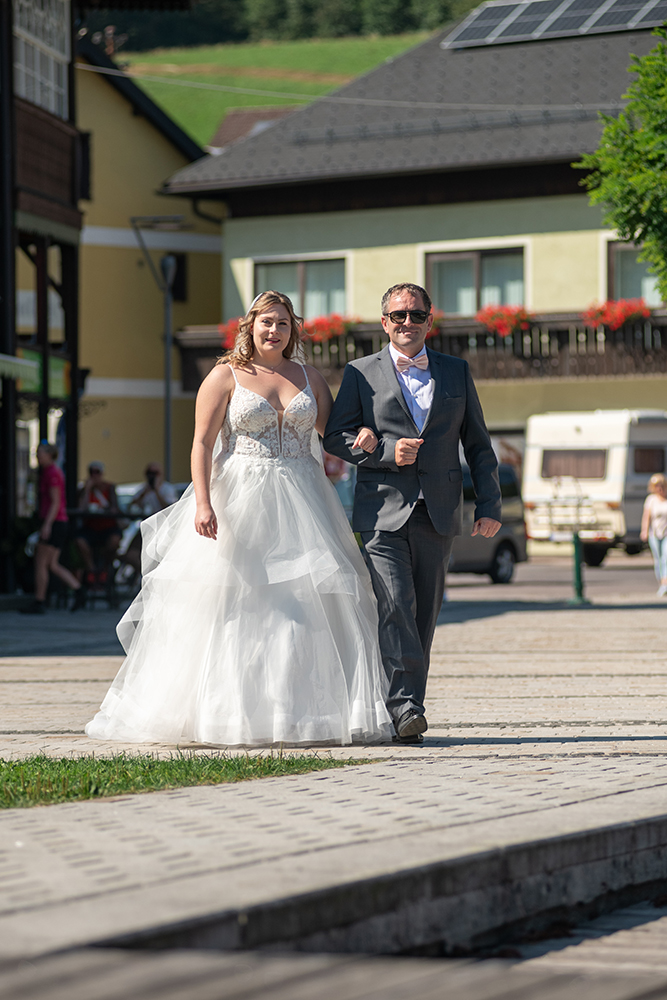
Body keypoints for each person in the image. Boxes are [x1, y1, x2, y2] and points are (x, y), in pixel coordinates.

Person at [86, 291, 392, 746]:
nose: (274, 330)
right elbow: (202, 444)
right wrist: (203, 503)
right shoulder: (225, 375)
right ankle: (226, 714)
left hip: (306, 497)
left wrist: (364, 438)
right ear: (250, 326)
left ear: (294, 330)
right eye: (266, 322)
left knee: (303, 606)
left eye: (283, 323)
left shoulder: (310, 377)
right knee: (239, 605)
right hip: (241, 496)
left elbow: (334, 436)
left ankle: (300, 714)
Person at [324, 282, 502, 744]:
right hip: (381, 512)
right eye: (398, 316)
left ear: (429, 320)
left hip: (439, 512)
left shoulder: (456, 372)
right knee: (396, 604)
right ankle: (405, 709)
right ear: (384, 322)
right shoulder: (360, 373)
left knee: (424, 613)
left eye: (415, 315)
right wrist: (383, 450)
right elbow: (336, 437)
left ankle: (407, 708)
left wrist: (489, 504)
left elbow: (478, 445)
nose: (407, 323)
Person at [21, 442, 84, 614]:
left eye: (40, 453)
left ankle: (40, 600)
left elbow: (56, 502)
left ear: (50, 454)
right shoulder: (46, 472)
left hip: (54, 521)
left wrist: (47, 525)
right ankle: (78, 589)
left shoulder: (53, 473)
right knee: (52, 564)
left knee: (41, 562)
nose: (37, 456)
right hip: (56, 521)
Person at [75, 461, 121, 579]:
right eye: (92, 472)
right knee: (80, 541)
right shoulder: (84, 489)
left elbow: (115, 508)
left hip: (108, 527)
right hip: (90, 527)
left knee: (114, 542)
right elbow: (81, 508)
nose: (94, 476)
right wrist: (87, 489)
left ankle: (105, 568)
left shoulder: (110, 488)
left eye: (97, 472)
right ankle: (92, 569)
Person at [641, 472, 667, 596]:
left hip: (666, 533)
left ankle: (665, 583)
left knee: (666, 558)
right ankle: (661, 582)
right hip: (655, 533)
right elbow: (647, 517)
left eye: (661, 485)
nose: (659, 488)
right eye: (656, 486)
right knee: (658, 559)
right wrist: (644, 531)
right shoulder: (651, 500)